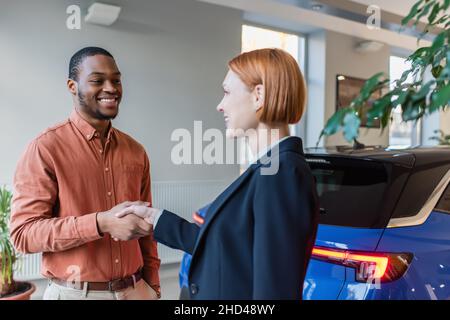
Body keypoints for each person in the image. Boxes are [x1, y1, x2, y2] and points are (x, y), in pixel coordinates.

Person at [117, 48, 320, 300]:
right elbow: (228, 247)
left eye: (226, 92)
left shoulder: (282, 174)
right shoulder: (269, 169)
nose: (220, 105)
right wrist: (155, 219)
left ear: (259, 96)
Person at [10, 47, 161, 300]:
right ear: (72, 86)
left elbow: (147, 231)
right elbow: (24, 234)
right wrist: (100, 222)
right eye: (97, 81)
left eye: (116, 80)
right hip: (75, 294)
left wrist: (153, 287)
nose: (111, 88)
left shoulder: (136, 151)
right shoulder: (45, 148)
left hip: (137, 291)